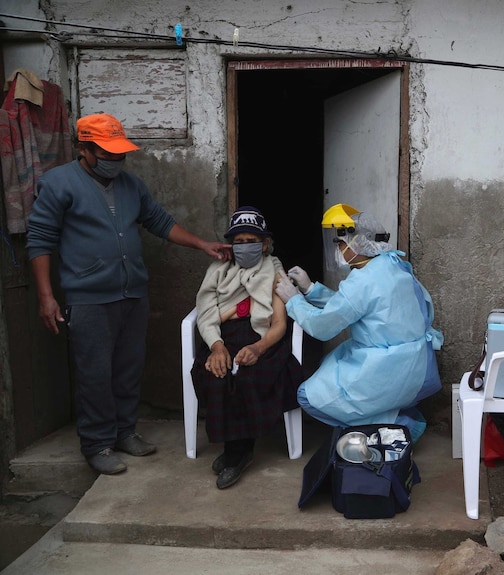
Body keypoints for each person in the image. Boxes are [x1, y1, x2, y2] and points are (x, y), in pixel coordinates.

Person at [26, 113, 231, 475]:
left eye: (120, 154)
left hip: (132, 292)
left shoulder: (130, 185)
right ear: (84, 149)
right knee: (95, 373)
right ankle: (97, 443)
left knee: (128, 369)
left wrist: (201, 244)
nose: (116, 161)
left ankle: (124, 432)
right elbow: (40, 240)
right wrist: (46, 296)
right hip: (88, 297)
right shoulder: (58, 184)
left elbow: (160, 222)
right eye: (107, 154)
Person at [275, 203, 443, 441]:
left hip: (387, 368)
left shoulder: (362, 281)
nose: (339, 248)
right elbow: (352, 307)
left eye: (341, 242)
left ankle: (398, 424)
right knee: (330, 366)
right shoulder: (393, 265)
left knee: (306, 396)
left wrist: (293, 301)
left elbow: (323, 327)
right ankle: (400, 410)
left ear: (359, 243)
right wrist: (311, 289)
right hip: (417, 366)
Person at [190, 206, 303, 489]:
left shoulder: (275, 271)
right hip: (221, 337)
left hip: (262, 338)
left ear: (264, 244)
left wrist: (258, 348)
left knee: (250, 377)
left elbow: (278, 323)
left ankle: (237, 454)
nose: (244, 247)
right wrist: (216, 347)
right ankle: (236, 450)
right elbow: (205, 314)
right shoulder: (218, 270)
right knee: (215, 374)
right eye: (238, 243)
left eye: (251, 241)